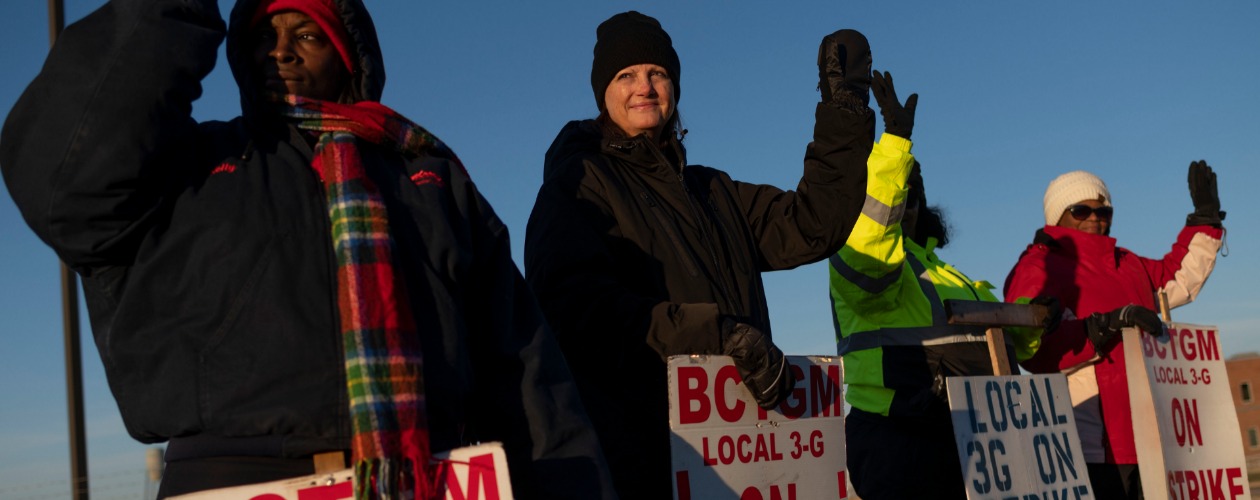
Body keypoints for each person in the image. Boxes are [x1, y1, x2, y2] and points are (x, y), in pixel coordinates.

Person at [0, 0, 614, 498]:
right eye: (265, 35)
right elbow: (63, 176)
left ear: (349, 60)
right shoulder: (187, 165)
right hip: (232, 476)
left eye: (308, 35)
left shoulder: (430, 178)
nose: (282, 50)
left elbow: (526, 371)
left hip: (431, 476)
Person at [524, 13, 874, 498]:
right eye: (625, 76)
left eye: (658, 74)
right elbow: (575, 312)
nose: (644, 87)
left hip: (746, 460)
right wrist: (715, 336)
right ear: (603, 93)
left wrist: (845, 112)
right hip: (643, 464)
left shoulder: (713, 191)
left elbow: (813, 223)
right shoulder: (577, 187)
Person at [827, 71, 1055, 499]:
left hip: (977, 438)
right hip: (903, 439)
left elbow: (1000, 341)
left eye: (914, 197)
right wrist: (894, 145)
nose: (906, 208)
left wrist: (1035, 315)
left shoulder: (948, 274)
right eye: (900, 197)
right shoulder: (860, 255)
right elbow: (872, 237)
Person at [1004, 166, 1225, 499]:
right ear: (1057, 216)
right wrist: (1101, 327)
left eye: (1103, 210)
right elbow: (1030, 349)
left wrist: (1205, 221)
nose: (1095, 218)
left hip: (1151, 437)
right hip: (1088, 443)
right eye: (1081, 210)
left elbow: (1176, 277)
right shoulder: (1040, 265)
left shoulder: (1127, 263)